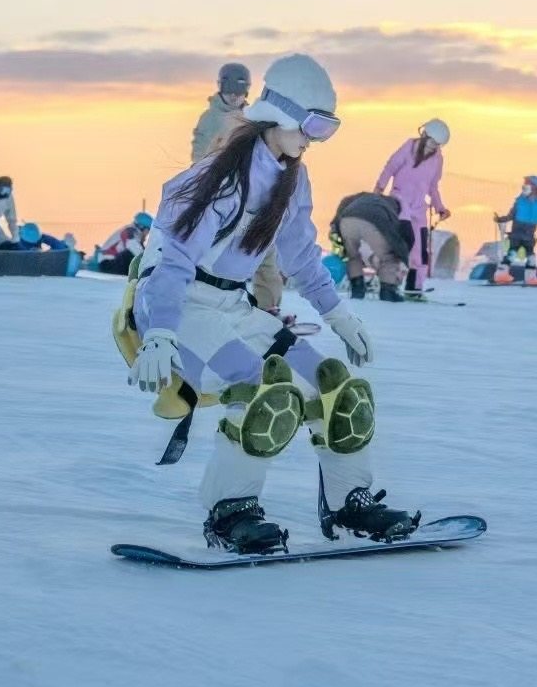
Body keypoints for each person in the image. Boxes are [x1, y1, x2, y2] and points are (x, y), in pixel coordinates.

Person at [129, 53, 420, 555]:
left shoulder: (292, 177)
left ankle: (351, 502)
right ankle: (231, 512)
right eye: (314, 124)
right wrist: (157, 331)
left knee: (336, 385)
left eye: (328, 127)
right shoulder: (220, 177)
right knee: (261, 387)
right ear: (281, 113)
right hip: (178, 306)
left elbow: (302, 257)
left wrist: (339, 315)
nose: (316, 138)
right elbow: (172, 260)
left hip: (231, 307)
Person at [191, 62, 285, 317]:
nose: (235, 98)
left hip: (255, 193)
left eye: (240, 93)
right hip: (224, 196)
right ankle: (206, 300)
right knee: (219, 250)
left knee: (264, 247)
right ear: (221, 89)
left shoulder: (255, 116)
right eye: (231, 92)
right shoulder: (212, 118)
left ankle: (269, 307)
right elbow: (200, 155)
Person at [374, 118, 452, 296]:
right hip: (400, 201)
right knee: (404, 242)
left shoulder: (438, 159)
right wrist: (379, 188)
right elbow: (390, 167)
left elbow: (433, 187)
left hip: (419, 208)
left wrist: (440, 207)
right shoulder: (409, 147)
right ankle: (389, 283)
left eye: (438, 144)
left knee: (421, 250)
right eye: (432, 142)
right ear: (425, 135)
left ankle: (414, 287)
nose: (434, 146)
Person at [331, 192, 412, 303]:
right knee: (388, 258)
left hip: (346, 220)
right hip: (373, 222)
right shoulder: (390, 209)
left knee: (353, 257)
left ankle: (357, 289)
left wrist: (335, 227)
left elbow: (344, 203)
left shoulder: (362, 197)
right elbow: (395, 240)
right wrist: (402, 257)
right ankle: (387, 291)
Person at [492, 175, 537, 286]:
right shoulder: (519, 201)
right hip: (517, 232)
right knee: (512, 252)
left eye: (528, 184)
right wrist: (500, 219)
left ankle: (530, 278)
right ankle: (501, 274)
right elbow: (510, 215)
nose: (524, 187)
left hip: (529, 234)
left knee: (530, 256)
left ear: (535, 188)